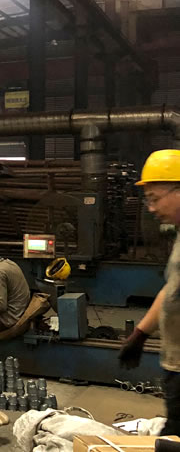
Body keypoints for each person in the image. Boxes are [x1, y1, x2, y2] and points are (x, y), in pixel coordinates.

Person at [118, 149, 180, 436]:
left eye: (154, 198)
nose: (151, 208)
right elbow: (172, 289)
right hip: (174, 365)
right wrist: (140, 334)